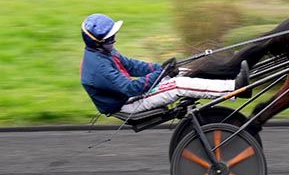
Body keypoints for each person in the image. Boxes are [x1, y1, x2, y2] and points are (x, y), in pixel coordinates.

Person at [80, 13, 249, 116]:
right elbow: (131, 88)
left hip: (130, 95)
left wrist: (161, 68)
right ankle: (235, 88)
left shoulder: (104, 51)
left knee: (183, 72)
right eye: (110, 37)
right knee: (177, 84)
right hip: (127, 104)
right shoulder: (99, 67)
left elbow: (132, 66)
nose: (114, 39)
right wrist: (161, 74)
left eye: (114, 34)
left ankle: (229, 76)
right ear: (97, 42)